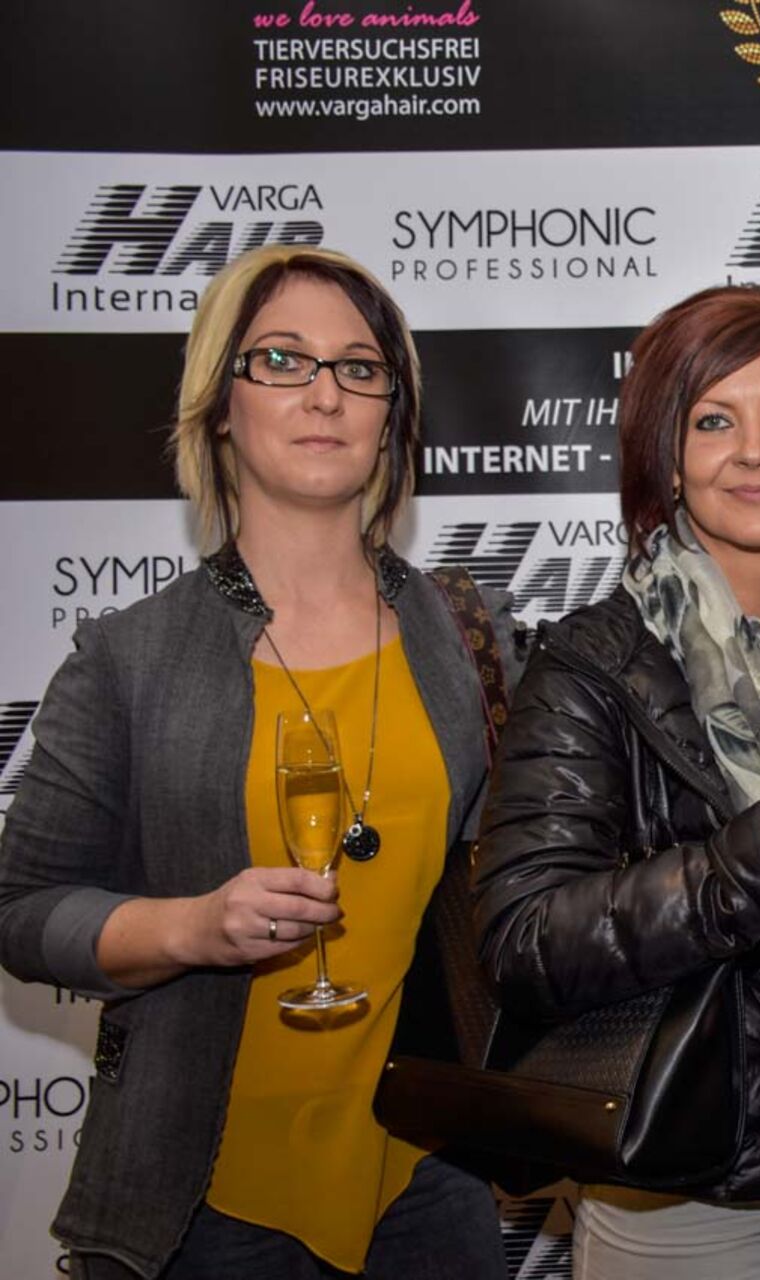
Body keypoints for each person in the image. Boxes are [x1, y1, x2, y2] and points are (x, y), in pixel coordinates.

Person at [0, 246, 520, 1279]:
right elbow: (21, 909)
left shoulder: (468, 632)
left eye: (359, 368)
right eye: (282, 359)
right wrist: (192, 927)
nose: (325, 393)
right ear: (219, 404)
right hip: (205, 1200)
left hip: (430, 1178)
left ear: (392, 417)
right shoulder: (130, 657)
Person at [472, 285, 760, 1280]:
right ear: (668, 457)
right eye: (714, 421)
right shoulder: (596, 663)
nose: (755, 452)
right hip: (693, 1201)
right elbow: (527, 940)